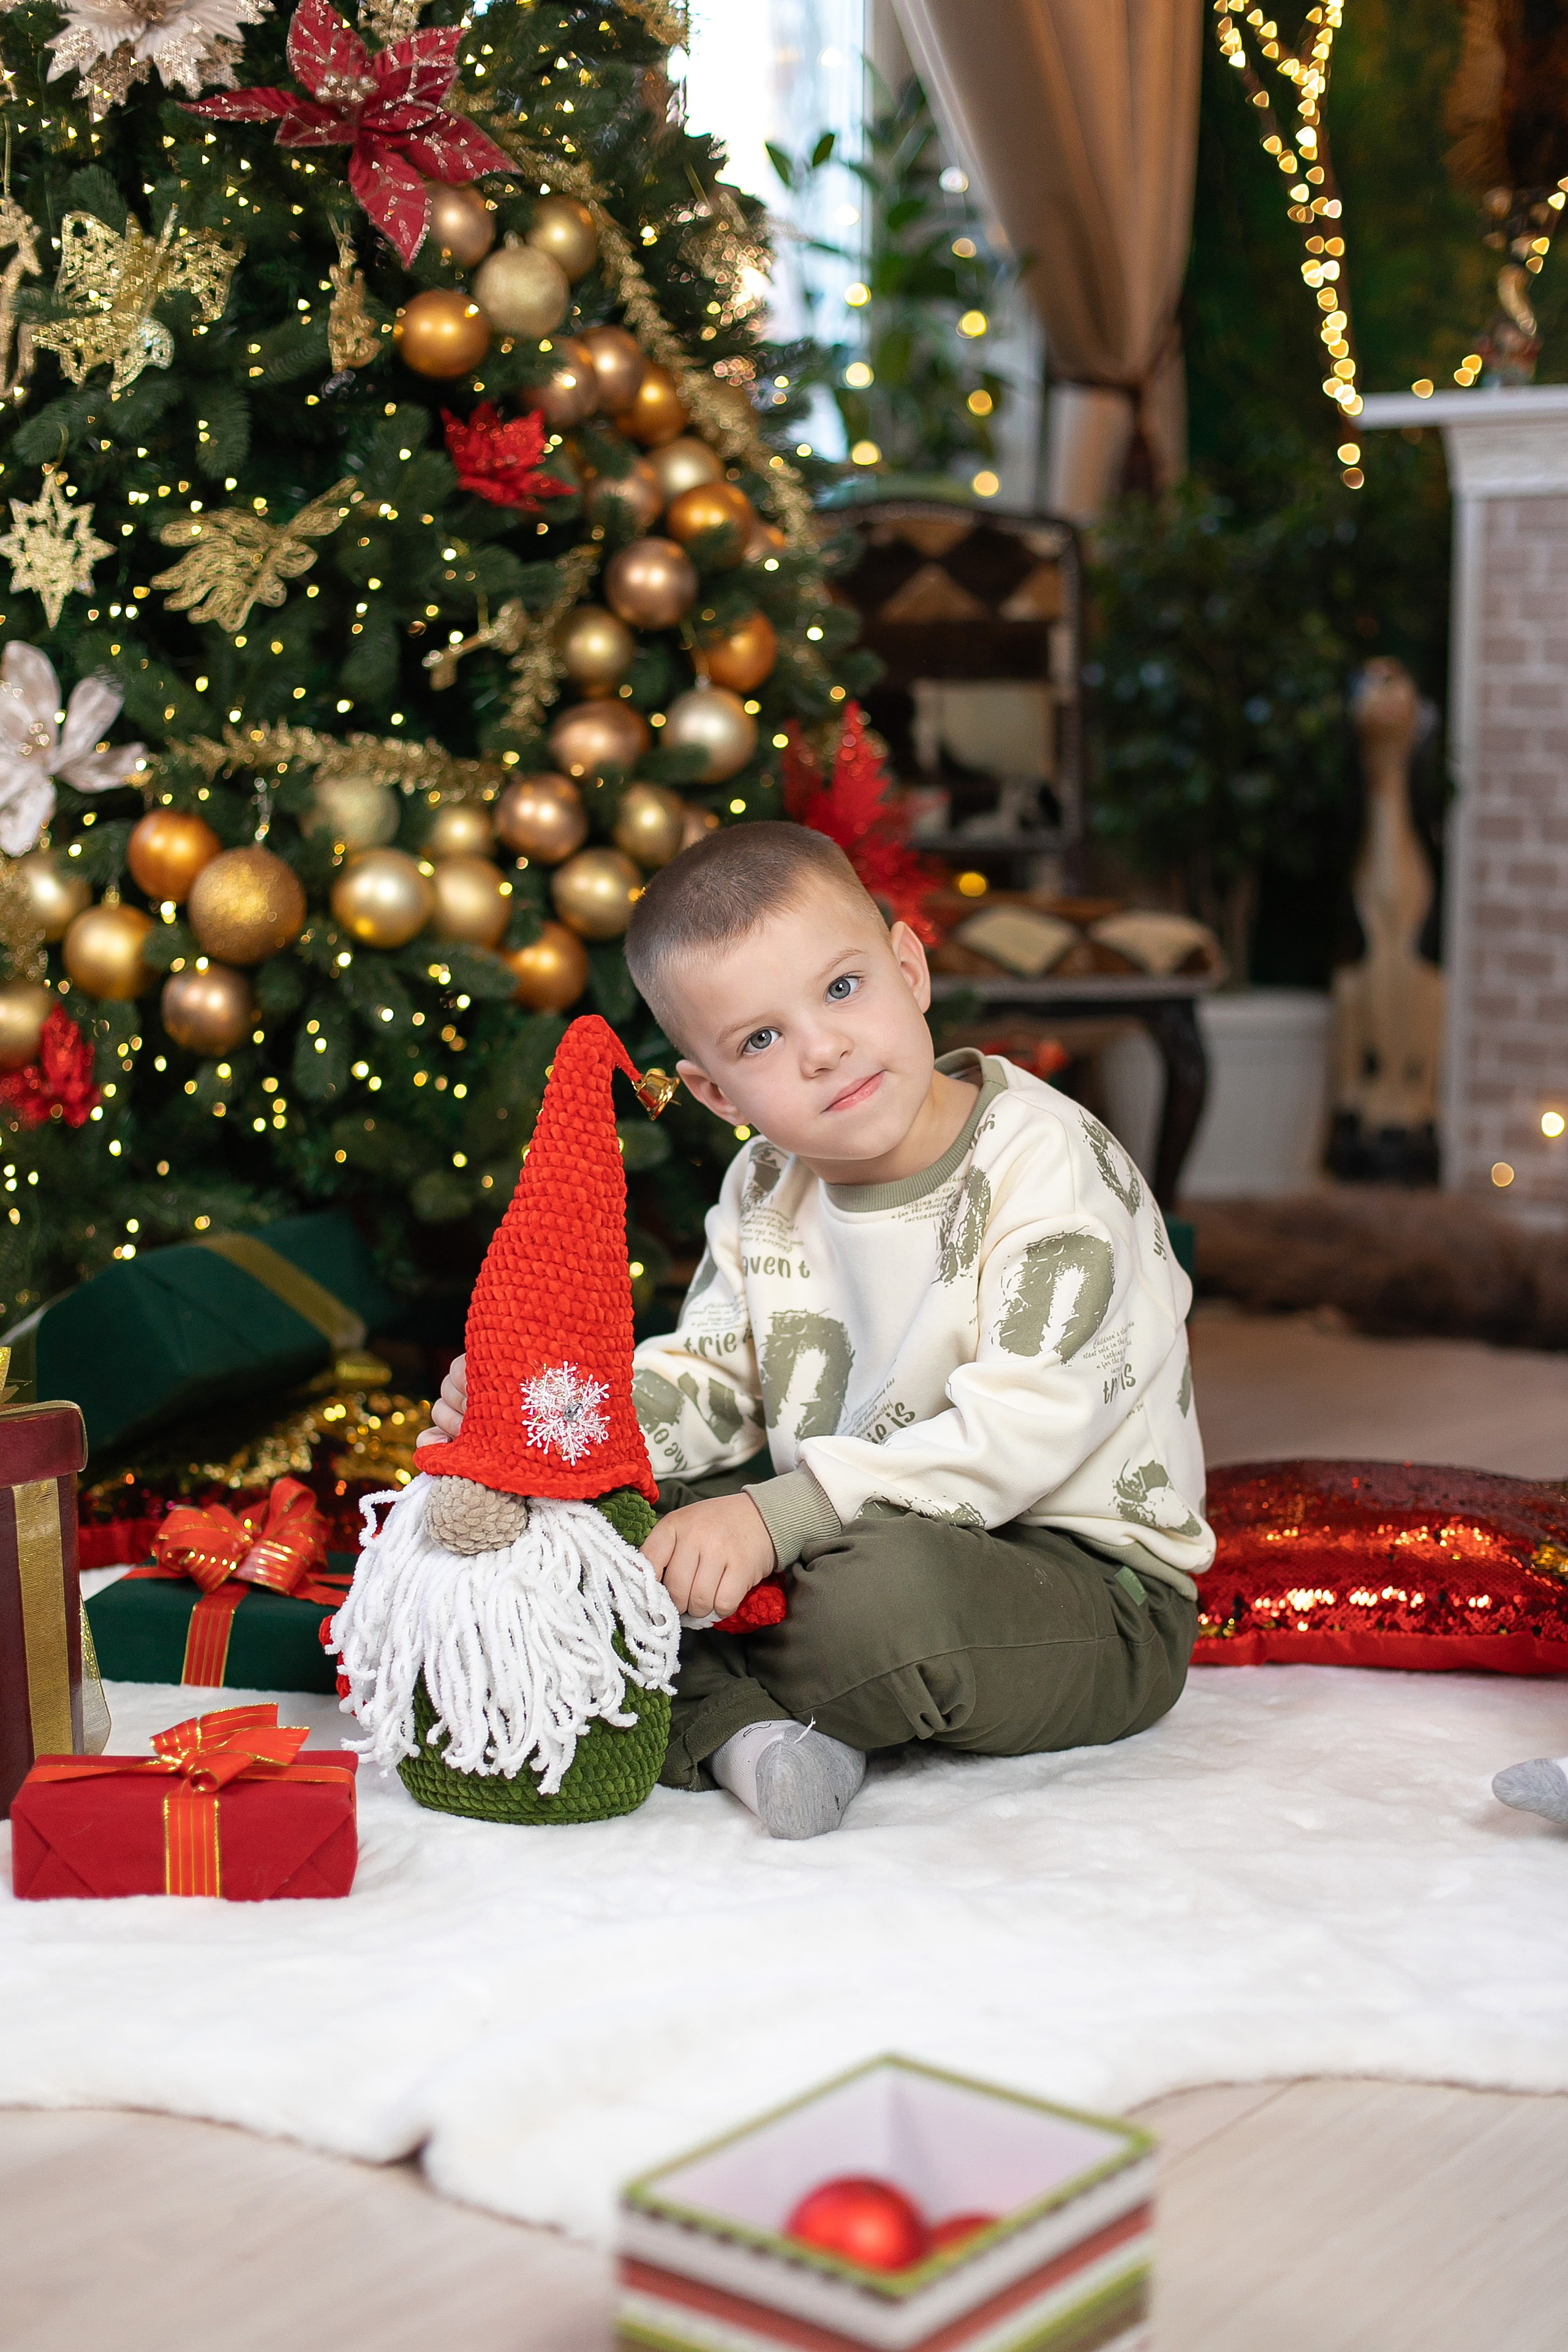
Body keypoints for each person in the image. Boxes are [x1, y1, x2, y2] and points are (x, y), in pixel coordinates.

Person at [421, 823, 1213, 1839]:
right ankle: (764, 1736)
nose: (823, 1048)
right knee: (585, 1537)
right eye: (760, 1040)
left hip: (1081, 1586)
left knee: (881, 1604)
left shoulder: (1046, 1165)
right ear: (714, 1093)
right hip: (846, 1523)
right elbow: (715, 1377)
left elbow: (1020, 1433)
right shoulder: (763, 1183)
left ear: (909, 968)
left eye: (843, 990)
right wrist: (541, 1419)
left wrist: (772, 1522)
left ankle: (690, 1705)